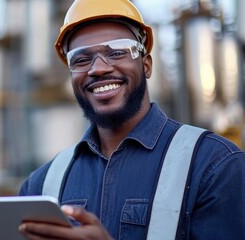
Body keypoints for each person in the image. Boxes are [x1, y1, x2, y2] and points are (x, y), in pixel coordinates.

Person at [18, 0, 245, 239]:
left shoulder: (216, 166)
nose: (98, 68)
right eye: (81, 59)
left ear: (146, 65)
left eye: (116, 52)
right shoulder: (39, 186)